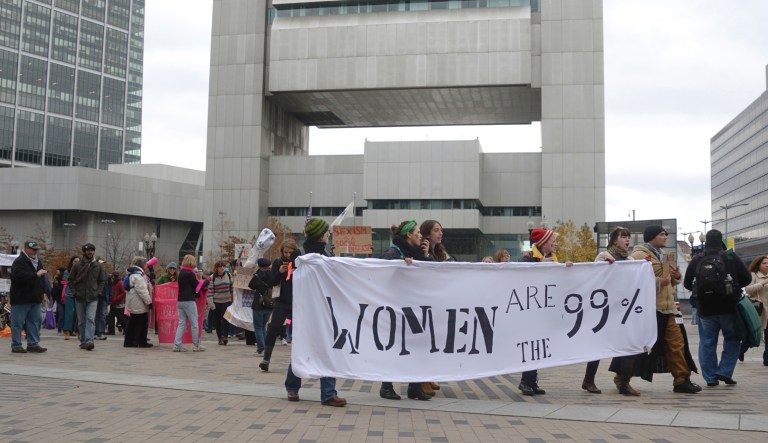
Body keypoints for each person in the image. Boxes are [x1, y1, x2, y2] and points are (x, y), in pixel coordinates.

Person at [280, 218, 346, 407]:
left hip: (324, 310)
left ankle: (328, 393)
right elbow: (291, 282)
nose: (329, 234)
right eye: (326, 231)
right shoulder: (298, 256)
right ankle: (292, 387)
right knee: (302, 348)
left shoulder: (326, 255)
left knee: (327, 348)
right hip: (304, 311)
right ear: (319, 234)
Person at [632, 225, 701, 394]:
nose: (665, 237)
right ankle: (622, 377)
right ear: (652, 236)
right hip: (651, 309)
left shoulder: (662, 255)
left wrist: (676, 276)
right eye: (662, 234)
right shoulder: (638, 256)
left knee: (677, 344)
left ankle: (681, 380)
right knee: (640, 346)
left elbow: (668, 281)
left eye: (666, 234)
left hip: (669, 308)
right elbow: (634, 281)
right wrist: (658, 282)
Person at [684, 229, 750, 387]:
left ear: (706, 240)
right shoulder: (730, 256)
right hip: (729, 307)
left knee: (707, 342)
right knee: (732, 339)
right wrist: (733, 286)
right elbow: (747, 278)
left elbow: (687, 283)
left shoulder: (698, 258)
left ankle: (710, 378)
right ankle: (725, 371)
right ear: (722, 240)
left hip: (705, 310)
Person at [379, 220, 434, 401]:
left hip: (413, 307)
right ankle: (386, 387)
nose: (420, 235)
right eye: (417, 232)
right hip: (396, 308)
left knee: (416, 348)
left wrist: (425, 257)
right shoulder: (394, 251)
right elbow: (382, 270)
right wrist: (401, 263)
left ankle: (414, 387)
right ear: (409, 234)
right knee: (395, 348)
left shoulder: (417, 252)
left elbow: (430, 276)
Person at [518, 228, 572, 395]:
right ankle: (525, 381)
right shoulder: (529, 258)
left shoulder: (552, 259)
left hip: (543, 309)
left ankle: (532, 381)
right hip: (529, 309)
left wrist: (565, 268)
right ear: (543, 243)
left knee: (538, 346)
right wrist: (540, 265)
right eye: (552, 241)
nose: (556, 244)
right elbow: (517, 271)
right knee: (530, 345)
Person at [597, 226, 640, 396]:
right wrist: (604, 267)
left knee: (630, 345)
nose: (627, 240)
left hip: (624, 310)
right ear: (615, 240)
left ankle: (624, 381)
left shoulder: (630, 260)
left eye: (628, 237)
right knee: (598, 346)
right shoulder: (604, 256)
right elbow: (593, 278)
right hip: (607, 311)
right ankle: (589, 380)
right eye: (623, 237)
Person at [419, 220, 454, 396]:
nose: (440, 233)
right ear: (427, 234)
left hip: (436, 302)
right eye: (436, 230)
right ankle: (422, 380)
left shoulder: (440, 251)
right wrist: (425, 256)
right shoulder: (422, 250)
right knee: (425, 341)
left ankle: (429, 376)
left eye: (441, 230)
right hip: (424, 302)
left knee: (434, 341)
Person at [260, 239, 298, 372]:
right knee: (273, 328)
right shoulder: (278, 262)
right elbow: (272, 281)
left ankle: (300, 360)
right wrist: (280, 272)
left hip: (298, 301)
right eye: (285, 252)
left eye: (290, 252)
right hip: (281, 301)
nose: (288, 255)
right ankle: (266, 358)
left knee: (299, 331)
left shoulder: (299, 263)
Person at [9, 240, 48, 353]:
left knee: (35, 322)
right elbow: (18, 277)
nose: (35, 251)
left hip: (35, 298)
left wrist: (44, 292)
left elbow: (40, 280)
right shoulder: (19, 261)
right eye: (33, 249)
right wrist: (35, 274)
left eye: (36, 249)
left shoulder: (37, 261)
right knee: (17, 323)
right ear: (26, 248)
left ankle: (33, 344)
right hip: (21, 298)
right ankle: (16, 345)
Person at [69, 243, 106, 351]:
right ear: (84, 252)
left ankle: (89, 341)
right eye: (87, 250)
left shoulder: (97, 266)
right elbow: (70, 280)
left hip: (93, 297)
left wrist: (98, 292)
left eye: (92, 250)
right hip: (79, 296)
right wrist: (74, 292)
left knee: (90, 319)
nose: (90, 252)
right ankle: (84, 340)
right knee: (81, 321)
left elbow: (102, 281)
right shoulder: (77, 266)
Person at [173, 255, 205, 352]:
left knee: (181, 323)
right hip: (189, 301)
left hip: (180, 301)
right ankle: (196, 346)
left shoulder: (181, 273)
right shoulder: (190, 274)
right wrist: (202, 279)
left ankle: (177, 345)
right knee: (194, 323)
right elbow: (197, 286)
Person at [124, 257, 154, 348]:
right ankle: (141, 341)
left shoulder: (132, 273)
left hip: (132, 301)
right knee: (142, 322)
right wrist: (149, 302)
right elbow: (143, 291)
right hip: (138, 303)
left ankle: (129, 341)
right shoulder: (139, 276)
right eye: (145, 264)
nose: (146, 266)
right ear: (142, 265)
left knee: (132, 322)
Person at [745, 255, 768, 365]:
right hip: (759, 309)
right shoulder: (753, 275)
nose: (767, 265)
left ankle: (766, 358)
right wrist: (763, 283)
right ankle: (741, 349)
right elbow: (748, 289)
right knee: (753, 335)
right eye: (764, 263)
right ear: (758, 265)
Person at [248, 258, 273, 356]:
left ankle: (261, 349)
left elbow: (251, 286)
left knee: (258, 327)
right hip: (269, 304)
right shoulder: (273, 275)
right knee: (264, 327)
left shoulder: (257, 276)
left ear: (259, 266)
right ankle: (266, 349)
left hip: (258, 304)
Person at [209, 260, 233, 345]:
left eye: (223, 266)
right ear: (217, 268)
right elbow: (210, 291)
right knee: (218, 321)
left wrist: (234, 300)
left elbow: (232, 288)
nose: (222, 268)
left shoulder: (229, 275)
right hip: (217, 302)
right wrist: (211, 304)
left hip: (227, 301)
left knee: (226, 319)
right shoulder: (212, 277)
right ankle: (220, 337)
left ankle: (225, 336)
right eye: (220, 266)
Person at [61, 256, 80, 340]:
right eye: (75, 261)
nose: (76, 263)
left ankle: (78, 331)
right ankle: (67, 331)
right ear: (72, 262)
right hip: (69, 294)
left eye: (78, 261)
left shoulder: (82, 271)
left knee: (79, 314)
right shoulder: (67, 271)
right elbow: (68, 281)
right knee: (69, 313)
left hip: (79, 294)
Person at [94, 260, 111, 341]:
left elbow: (109, 287)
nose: (102, 266)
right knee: (95, 316)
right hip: (95, 297)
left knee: (102, 315)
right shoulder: (93, 274)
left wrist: (109, 297)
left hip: (104, 297)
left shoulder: (106, 274)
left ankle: (100, 332)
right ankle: (95, 332)